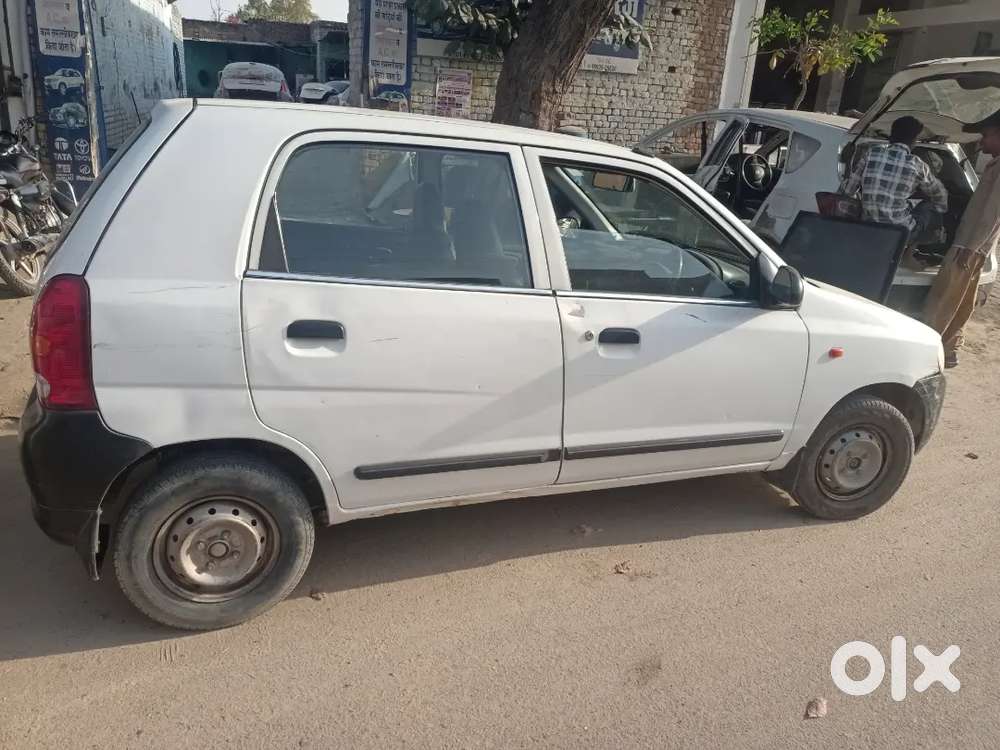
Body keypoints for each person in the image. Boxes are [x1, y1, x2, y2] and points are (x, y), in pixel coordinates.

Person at [923, 110, 1000, 368]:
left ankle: (926, 347)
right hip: (975, 246)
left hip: (968, 245)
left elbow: (992, 214)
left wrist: (970, 247)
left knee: (944, 300)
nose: (982, 143)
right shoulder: (995, 164)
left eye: (987, 136)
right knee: (962, 300)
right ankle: (950, 347)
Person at [841, 115, 948, 246]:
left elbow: (847, 191)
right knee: (931, 205)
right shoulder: (917, 164)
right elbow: (940, 196)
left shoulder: (871, 153)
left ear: (892, 135)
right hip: (900, 233)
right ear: (914, 140)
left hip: (868, 228)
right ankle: (918, 249)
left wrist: (847, 162)